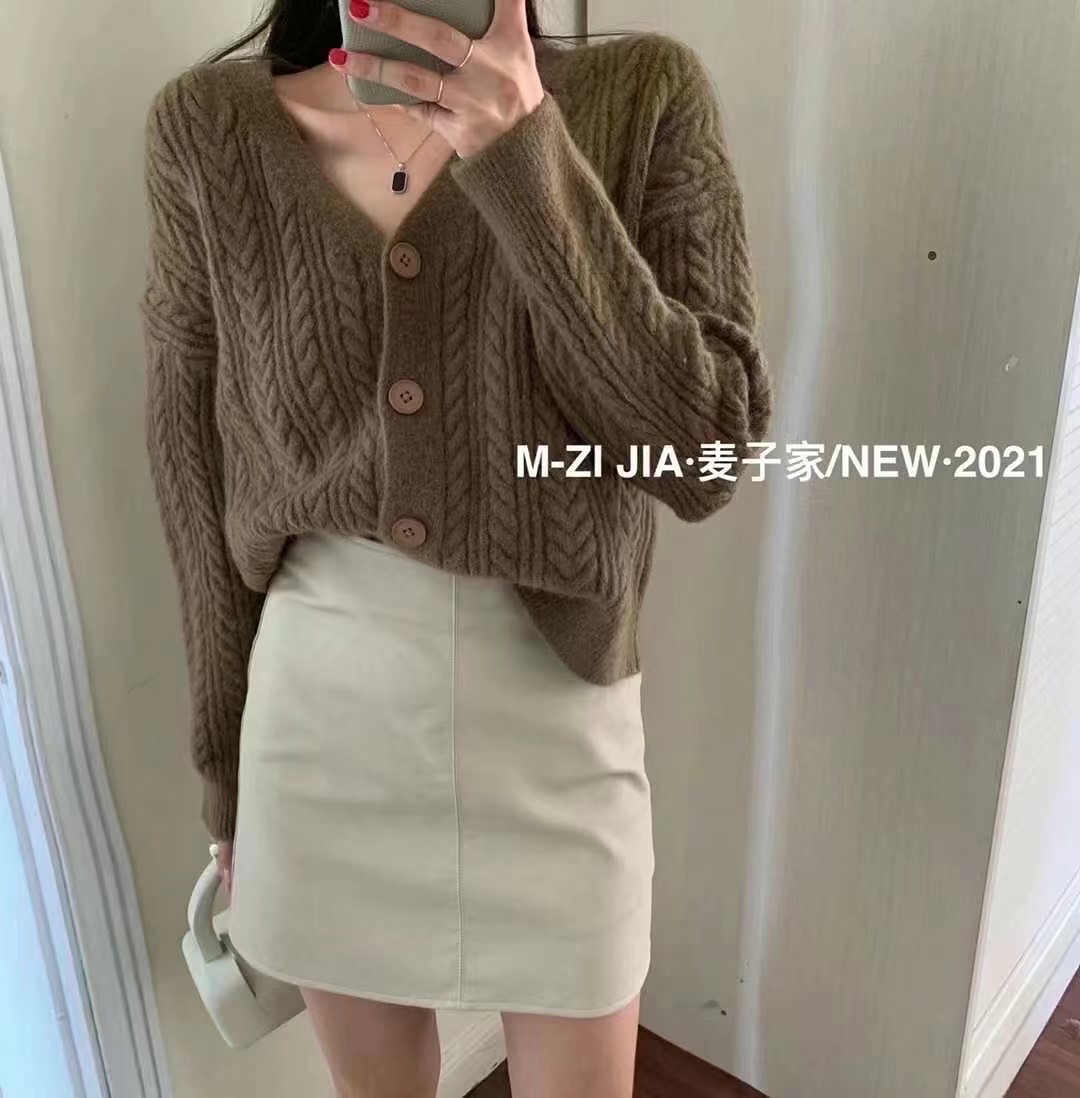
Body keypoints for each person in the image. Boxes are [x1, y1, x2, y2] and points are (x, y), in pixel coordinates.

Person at [139, 0, 772, 1094]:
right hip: (320, 726)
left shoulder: (644, 99)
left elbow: (703, 455)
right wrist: (225, 776)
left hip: (557, 722)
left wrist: (524, 153)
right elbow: (192, 471)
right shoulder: (206, 131)